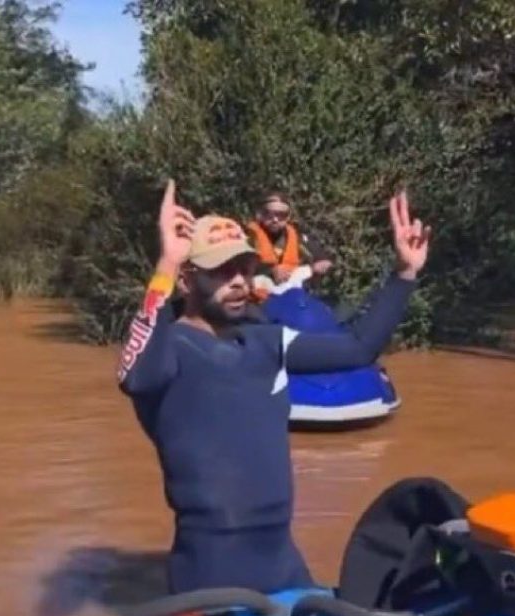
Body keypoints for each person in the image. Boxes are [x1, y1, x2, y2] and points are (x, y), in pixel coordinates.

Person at [117, 179, 431, 594]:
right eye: (220, 271)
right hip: (208, 570)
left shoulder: (267, 342)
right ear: (187, 280)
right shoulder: (172, 349)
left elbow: (359, 348)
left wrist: (404, 274)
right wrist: (165, 265)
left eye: (243, 268)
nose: (237, 280)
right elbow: (134, 375)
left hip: (282, 564)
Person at [247, 192, 333, 285]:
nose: (275, 219)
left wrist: (322, 264)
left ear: (288, 217)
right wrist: (270, 271)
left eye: (281, 214)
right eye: (269, 213)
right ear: (260, 214)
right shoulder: (247, 237)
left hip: (290, 292)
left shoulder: (298, 237)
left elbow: (323, 259)